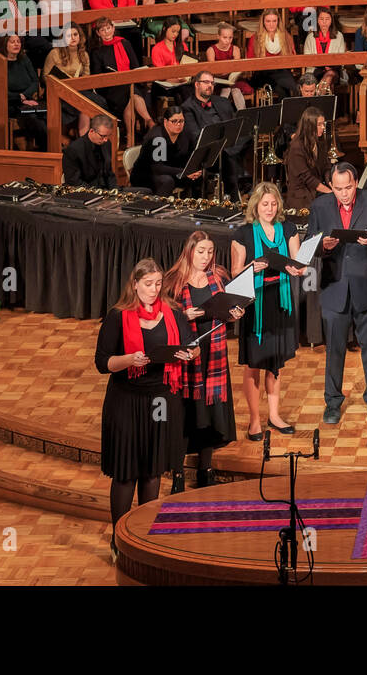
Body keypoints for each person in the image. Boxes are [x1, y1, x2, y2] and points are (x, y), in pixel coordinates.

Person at [93, 258, 197, 559]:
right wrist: (129, 360)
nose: (154, 290)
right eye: (148, 284)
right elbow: (102, 363)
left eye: (158, 284)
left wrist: (189, 353)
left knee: (152, 471)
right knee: (126, 473)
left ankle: (143, 537)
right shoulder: (117, 316)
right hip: (126, 400)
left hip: (162, 401)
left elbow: (193, 344)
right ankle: (119, 540)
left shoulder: (173, 313)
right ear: (135, 284)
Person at [310, 162, 367, 425]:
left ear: (356, 182)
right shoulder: (320, 206)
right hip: (335, 288)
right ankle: (332, 402)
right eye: (338, 188)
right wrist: (324, 246)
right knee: (334, 350)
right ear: (331, 186)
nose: (344, 194)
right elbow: (310, 247)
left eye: (348, 187)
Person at [165, 233, 245, 488]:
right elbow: (162, 319)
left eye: (209, 252)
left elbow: (227, 310)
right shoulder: (173, 281)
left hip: (214, 353)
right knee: (185, 412)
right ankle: (177, 472)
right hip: (186, 355)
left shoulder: (219, 276)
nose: (206, 257)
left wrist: (235, 314)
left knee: (209, 412)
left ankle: (205, 469)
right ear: (190, 251)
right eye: (201, 252)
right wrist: (183, 315)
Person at [230, 183, 308, 438]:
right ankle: (254, 420)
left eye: (274, 204)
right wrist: (252, 267)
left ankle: (274, 415)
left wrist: (299, 269)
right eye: (265, 204)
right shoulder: (243, 233)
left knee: (275, 365)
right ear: (256, 205)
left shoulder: (288, 228)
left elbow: (298, 263)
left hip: (280, 301)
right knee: (254, 364)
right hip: (256, 304)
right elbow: (234, 273)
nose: (270, 209)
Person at [181, 70, 247, 199]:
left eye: (212, 83)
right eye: (206, 82)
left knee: (248, 135)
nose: (210, 85)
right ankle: (234, 194)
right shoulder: (187, 107)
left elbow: (234, 124)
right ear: (196, 85)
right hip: (207, 150)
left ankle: (237, 186)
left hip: (227, 144)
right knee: (227, 156)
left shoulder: (222, 102)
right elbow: (195, 136)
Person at [89, 17, 153, 144]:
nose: (106, 32)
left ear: (113, 28)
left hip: (129, 85)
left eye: (108, 28)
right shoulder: (96, 51)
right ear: (98, 33)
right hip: (109, 90)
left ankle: (130, 137)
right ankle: (149, 121)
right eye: (102, 30)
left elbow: (135, 67)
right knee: (130, 91)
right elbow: (97, 77)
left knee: (131, 94)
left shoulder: (125, 43)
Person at [130, 106, 203, 195]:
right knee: (167, 181)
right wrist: (184, 172)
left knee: (198, 177)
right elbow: (158, 168)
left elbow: (191, 153)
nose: (179, 124)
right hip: (146, 175)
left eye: (181, 121)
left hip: (169, 170)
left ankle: (193, 205)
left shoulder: (185, 133)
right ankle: (159, 207)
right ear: (165, 121)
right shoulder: (157, 138)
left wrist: (193, 170)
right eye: (174, 121)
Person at [43, 24, 100, 135]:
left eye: (75, 34)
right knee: (85, 105)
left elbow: (86, 77)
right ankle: (82, 141)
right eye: (69, 35)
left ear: (80, 37)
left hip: (78, 91)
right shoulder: (54, 53)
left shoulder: (84, 54)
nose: (73, 38)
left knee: (87, 104)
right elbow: (45, 77)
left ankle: (84, 141)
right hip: (58, 93)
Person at [0, 32, 47, 150]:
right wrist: (20, 98)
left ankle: (45, 149)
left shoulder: (24, 59)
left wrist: (25, 96)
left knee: (48, 115)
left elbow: (35, 81)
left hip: (28, 101)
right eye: (12, 42)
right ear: (5, 44)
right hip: (10, 104)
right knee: (34, 120)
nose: (16, 44)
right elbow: (0, 90)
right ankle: (49, 149)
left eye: (18, 41)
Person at [284, 106, 333, 210]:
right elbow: (307, 178)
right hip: (302, 197)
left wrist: (332, 184)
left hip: (316, 191)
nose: (323, 127)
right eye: (319, 125)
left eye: (323, 124)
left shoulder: (321, 142)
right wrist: (330, 192)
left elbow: (326, 167)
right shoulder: (296, 147)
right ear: (309, 126)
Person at [246, 9, 299, 98]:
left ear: (278, 22)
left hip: (281, 71)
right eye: (268, 21)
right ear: (263, 22)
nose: (271, 24)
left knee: (294, 88)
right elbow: (250, 60)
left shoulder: (286, 37)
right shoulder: (255, 38)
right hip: (263, 73)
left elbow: (292, 57)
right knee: (281, 90)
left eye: (274, 21)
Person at [205, 21, 252, 109]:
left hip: (233, 80)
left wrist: (229, 72)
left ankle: (242, 114)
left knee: (236, 90)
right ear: (218, 36)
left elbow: (236, 67)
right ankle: (221, 112)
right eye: (225, 37)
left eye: (230, 38)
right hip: (218, 80)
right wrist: (225, 71)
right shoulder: (211, 50)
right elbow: (213, 69)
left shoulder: (235, 49)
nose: (227, 41)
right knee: (226, 90)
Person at [62, 114, 118, 187]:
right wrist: (98, 193)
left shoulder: (107, 144)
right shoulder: (73, 150)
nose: (106, 139)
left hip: (105, 190)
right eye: (102, 136)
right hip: (86, 193)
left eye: (108, 135)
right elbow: (74, 181)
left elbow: (109, 173)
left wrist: (115, 190)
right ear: (91, 131)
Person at [303, 7, 349, 83]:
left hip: (333, 70)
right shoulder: (310, 37)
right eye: (321, 19)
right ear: (317, 20)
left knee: (330, 74)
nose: (324, 22)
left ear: (331, 21)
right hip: (315, 70)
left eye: (327, 19)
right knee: (324, 76)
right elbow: (307, 59)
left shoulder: (338, 36)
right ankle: (323, 93)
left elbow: (341, 58)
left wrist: (331, 66)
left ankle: (320, 93)